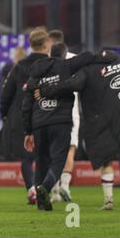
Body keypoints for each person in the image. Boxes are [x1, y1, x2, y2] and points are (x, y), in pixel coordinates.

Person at [37, 50, 120, 210]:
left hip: (107, 120)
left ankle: (108, 201)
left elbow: (71, 85)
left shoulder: (88, 69)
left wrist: (46, 90)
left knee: (105, 159)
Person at [22, 42, 94, 211]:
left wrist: (28, 131)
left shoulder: (35, 73)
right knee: (59, 159)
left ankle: (41, 203)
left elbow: (26, 105)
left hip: (39, 123)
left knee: (41, 161)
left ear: (49, 54)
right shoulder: (66, 65)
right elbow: (89, 56)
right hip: (60, 122)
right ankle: (45, 187)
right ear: (64, 54)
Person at [0, 28, 49, 205]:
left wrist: (6, 116)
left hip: (21, 118)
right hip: (46, 116)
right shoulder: (53, 65)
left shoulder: (18, 68)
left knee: (27, 157)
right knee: (44, 156)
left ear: (30, 44)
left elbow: (5, 96)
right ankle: (46, 188)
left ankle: (31, 190)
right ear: (47, 44)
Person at [47, 30, 78, 203]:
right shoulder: (76, 59)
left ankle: (55, 190)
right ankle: (65, 186)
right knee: (70, 149)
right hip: (72, 110)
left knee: (54, 151)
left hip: (51, 110)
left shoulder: (46, 62)